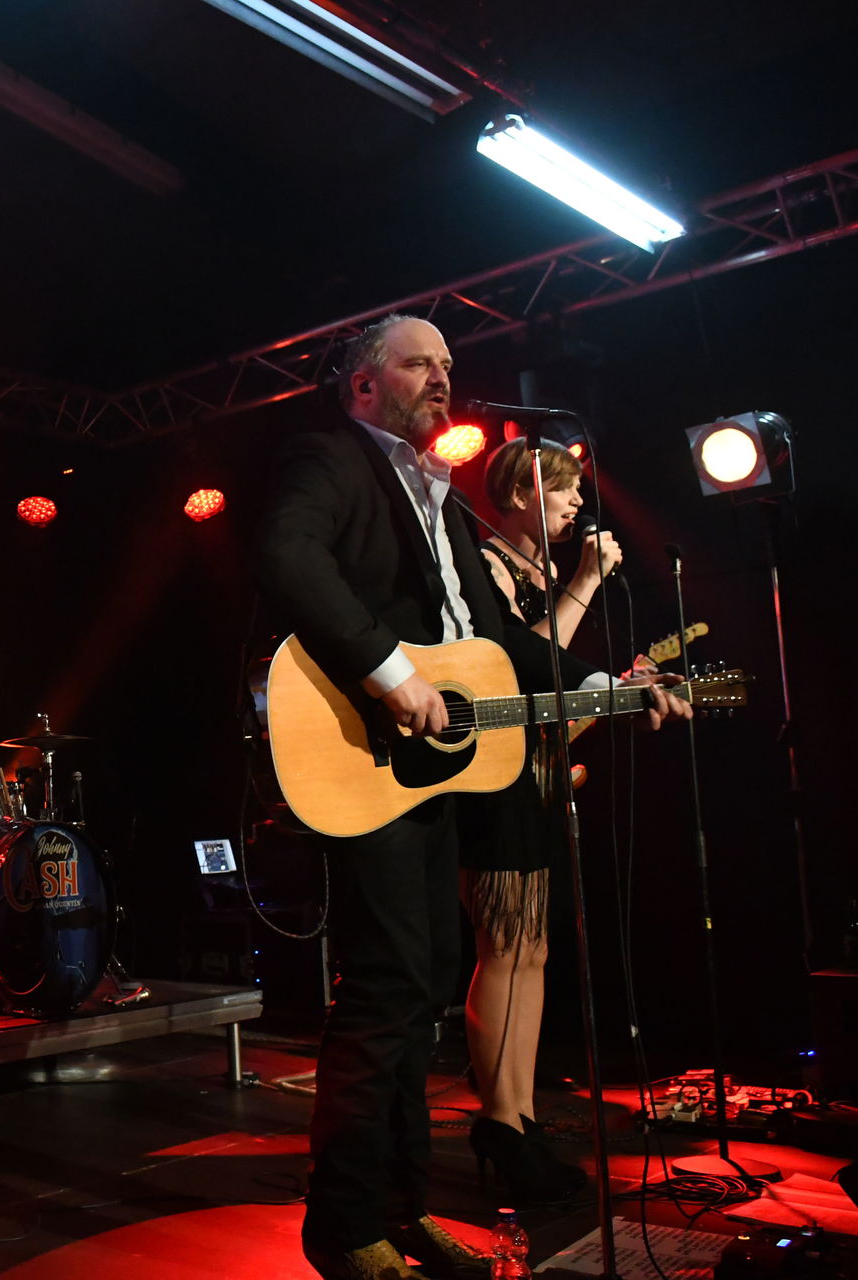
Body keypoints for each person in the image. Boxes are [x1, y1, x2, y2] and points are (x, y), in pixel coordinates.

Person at [251, 314, 686, 1280]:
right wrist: (388, 671)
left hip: (432, 774)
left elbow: (502, 646)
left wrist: (611, 688)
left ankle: (402, 1212)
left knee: (425, 989)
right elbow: (288, 558)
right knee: (384, 991)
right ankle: (345, 1226)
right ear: (364, 385)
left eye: (449, 365)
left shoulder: (444, 502)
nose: (444, 380)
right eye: (419, 364)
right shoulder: (327, 457)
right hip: (366, 753)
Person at [459, 438, 622, 1202]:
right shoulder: (486, 565)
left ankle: (517, 1117)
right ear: (524, 492)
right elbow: (520, 656)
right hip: (489, 775)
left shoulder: (535, 571)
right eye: (563, 489)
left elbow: (546, 664)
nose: (577, 504)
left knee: (532, 949)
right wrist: (586, 580)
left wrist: (613, 685)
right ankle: (498, 1117)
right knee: (504, 947)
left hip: (533, 771)